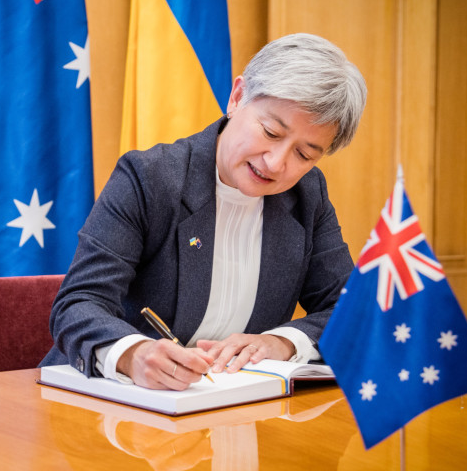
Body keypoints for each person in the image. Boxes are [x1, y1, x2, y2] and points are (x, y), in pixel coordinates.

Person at [39, 33, 367, 391]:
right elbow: (78, 303)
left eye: (304, 155)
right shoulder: (150, 178)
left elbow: (350, 312)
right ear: (238, 97)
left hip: (233, 412)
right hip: (116, 406)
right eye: (271, 132)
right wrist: (133, 354)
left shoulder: (307, 195)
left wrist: (284, 343)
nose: (276, 163)